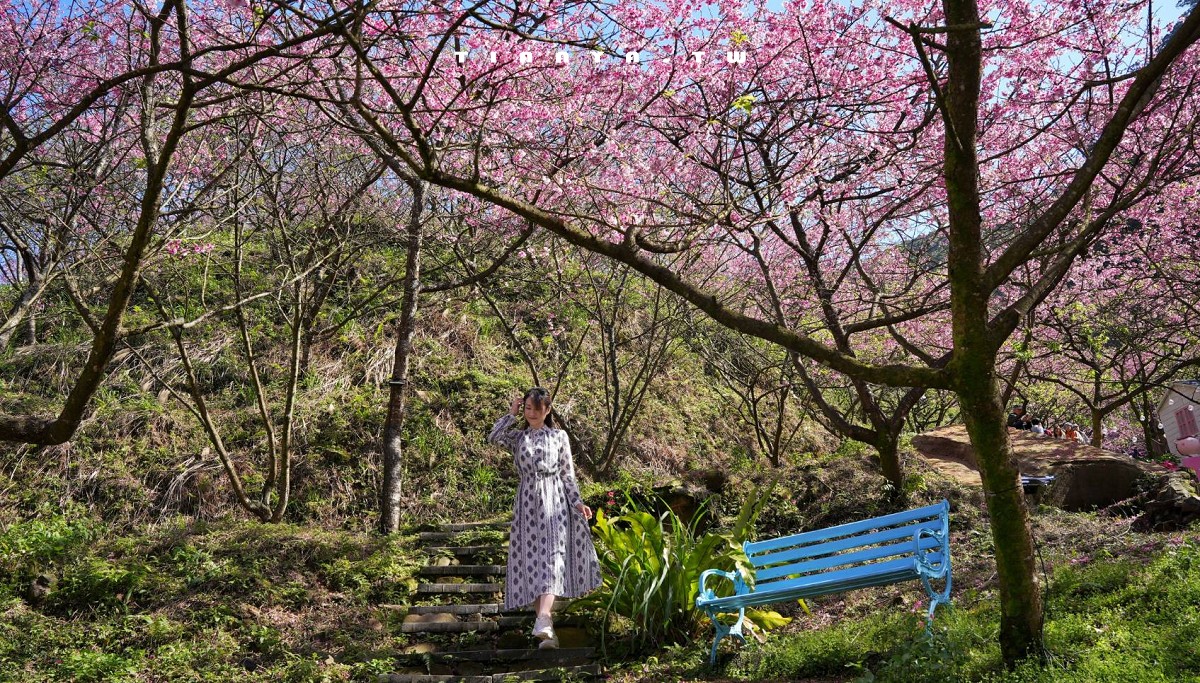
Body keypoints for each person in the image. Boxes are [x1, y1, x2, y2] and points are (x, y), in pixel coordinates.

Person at [488, 387, 601, 649]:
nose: (532, 414)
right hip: (526, 503)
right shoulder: (518, 437)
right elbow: (494, 437)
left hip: (555, 500)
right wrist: (511, 413)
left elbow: (567, 473)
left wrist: (577, 502)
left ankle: (544, 617)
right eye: (528, 408)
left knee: (552, 558)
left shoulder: (559, 437)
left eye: (537, 409)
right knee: (532, 561)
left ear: (547, 410)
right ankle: (546, 630)